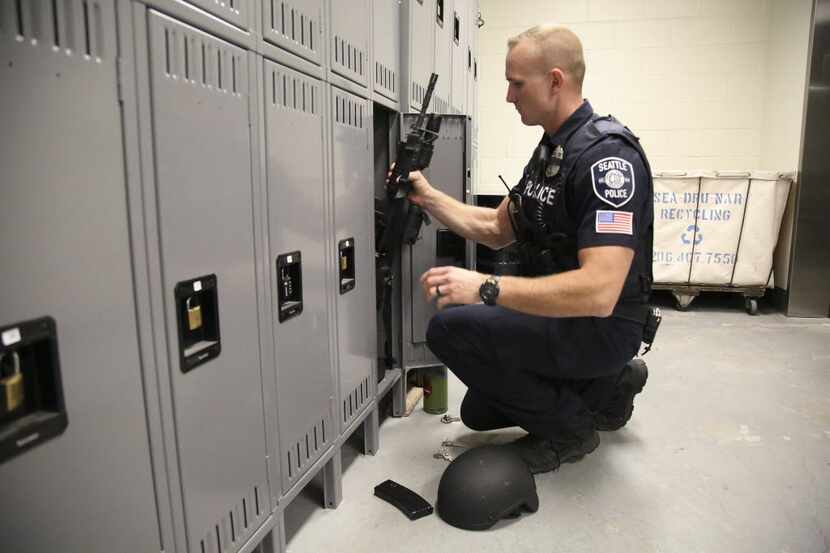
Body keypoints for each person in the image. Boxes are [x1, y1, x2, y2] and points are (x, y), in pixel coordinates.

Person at [403, 25, 654, 474]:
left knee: (448, 331)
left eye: (516, 84)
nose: (508, 96)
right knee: (479, 412)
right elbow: (498, 227)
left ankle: (571, 430)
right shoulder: (552, 150)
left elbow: (599, 291)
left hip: (601, 325)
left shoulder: (607, 160)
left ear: (555, 81)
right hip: (563, 318)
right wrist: (427, 196)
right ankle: (607, 387)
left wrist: (485, 287)